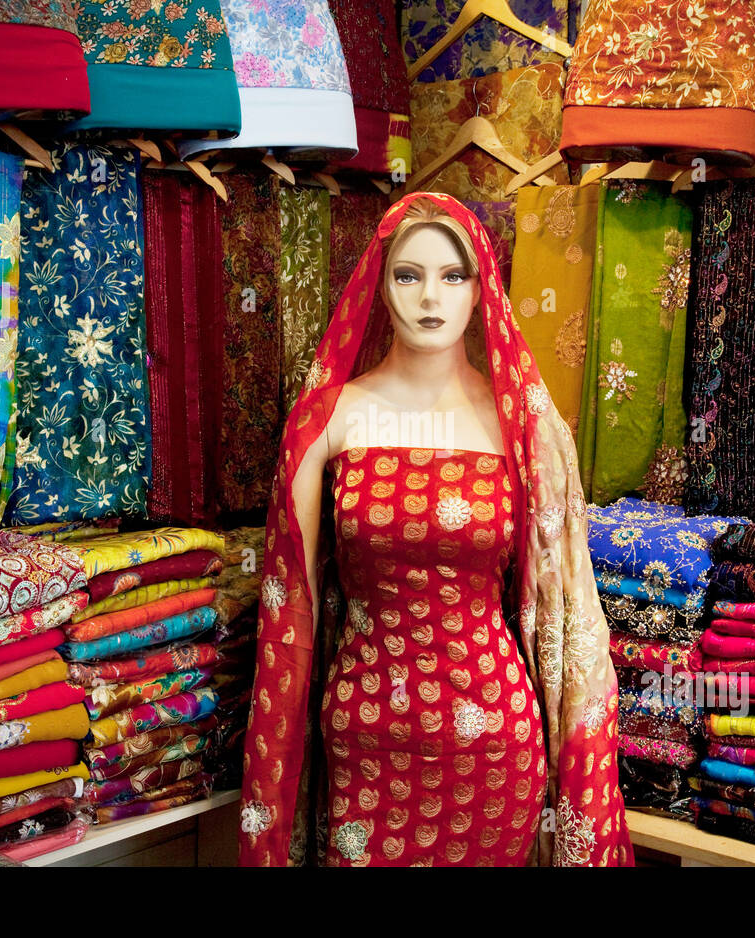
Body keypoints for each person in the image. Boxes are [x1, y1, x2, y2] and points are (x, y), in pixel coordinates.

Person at [238, 192, 632, 866]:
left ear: (482, 291)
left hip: (492, 740)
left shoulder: (524, 427)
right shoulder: (330, 418)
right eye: (408, 274)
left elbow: (569, 612)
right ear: (379, 286)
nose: (431, 296)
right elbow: (288, 612)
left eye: (453, 276)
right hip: (366, 729)